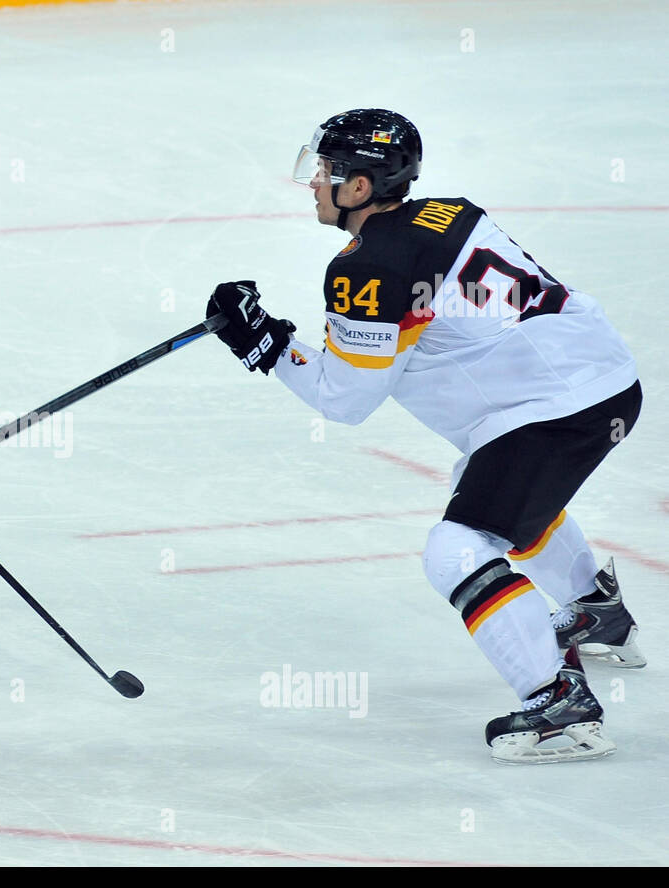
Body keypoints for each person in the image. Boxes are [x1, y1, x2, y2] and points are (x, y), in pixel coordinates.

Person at [205, 108, 642, 764]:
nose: (314, 182)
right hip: (597, 380)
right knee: (483, 484)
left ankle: (559, 704)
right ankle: (594, 610)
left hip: (559, 407)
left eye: (325, 171)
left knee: (456, 549)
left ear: (358, 188)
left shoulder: (368, 265)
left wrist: (264, 343)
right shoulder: (445, 213)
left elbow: (344, 399)